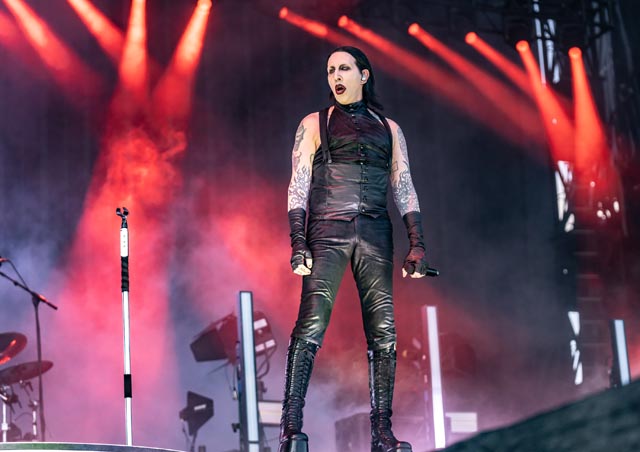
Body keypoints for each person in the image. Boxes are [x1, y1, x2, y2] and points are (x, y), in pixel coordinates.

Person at [280, 46, 430, 452]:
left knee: (384, 330)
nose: (335, 76)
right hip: (327, 228)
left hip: (376, 231)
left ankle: (382, 433)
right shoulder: (315, 123)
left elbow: (404, 185)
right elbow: (298, 183)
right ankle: (291, 428)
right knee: (312, 321)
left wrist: (417, 243)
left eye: (343, 68)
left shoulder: (390, 128)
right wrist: (298, 241)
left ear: (364, 75)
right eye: (330, 70)